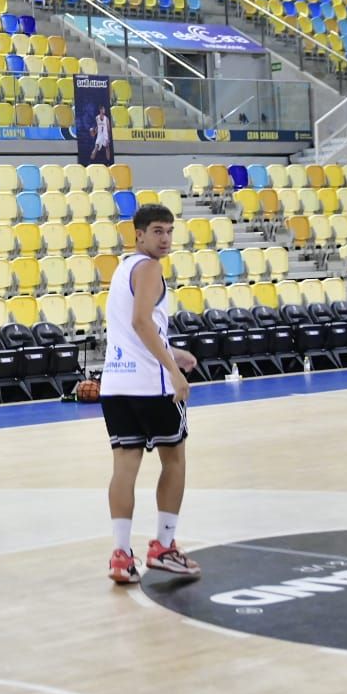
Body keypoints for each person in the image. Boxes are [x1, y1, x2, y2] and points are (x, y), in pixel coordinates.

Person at [99, 203, 200, 585]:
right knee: (174, 461)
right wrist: (173, 372)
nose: (165, 239)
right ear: (138, 234)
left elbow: (136, 329)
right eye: (157, 231)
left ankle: (121, 555)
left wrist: (174, 352)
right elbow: (142, 322)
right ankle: (164, 546)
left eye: (169, 231)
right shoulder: (150, 268)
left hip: (117, 384)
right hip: (150, 387)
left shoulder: (123, 270)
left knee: (124, 468)